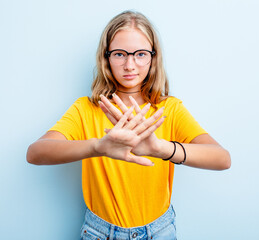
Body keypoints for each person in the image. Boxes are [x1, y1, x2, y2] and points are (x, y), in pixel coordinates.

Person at [27, 10, 231, 240]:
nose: (130, 65)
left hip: (160, 231)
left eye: (141, 54)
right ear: (106, 58)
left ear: (154, 57)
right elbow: (35, 153)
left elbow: (222, 158)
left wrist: (161, 149)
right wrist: (98, 147)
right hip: (99, 232)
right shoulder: (86, 108)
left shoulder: (169, 109)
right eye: (120, 54)